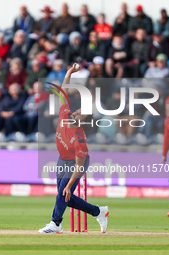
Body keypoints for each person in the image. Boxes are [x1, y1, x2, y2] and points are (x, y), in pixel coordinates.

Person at [38, 63, 109, 234]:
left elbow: (79, 167)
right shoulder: (64, 113)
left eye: (80, 114)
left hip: (77, 163)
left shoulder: (80, 141)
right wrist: (69, 72)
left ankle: (56, 223)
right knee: (65, 198)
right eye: (76, 111)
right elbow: (63, 90)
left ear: (82, 121)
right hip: (62, 158)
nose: (75, 114)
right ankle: (98, 212)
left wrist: (70, 185)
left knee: (64, 192)